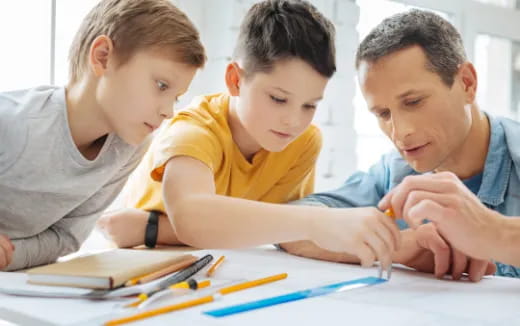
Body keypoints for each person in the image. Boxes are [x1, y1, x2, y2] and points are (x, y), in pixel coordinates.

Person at [97, 0, 401, 271]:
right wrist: (320, 222)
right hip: (144, 271)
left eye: (309, 105)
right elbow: (194, 218)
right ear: (235, 80)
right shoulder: (194, 129)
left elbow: (280, 234)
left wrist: (152, 228)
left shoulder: (304, 142)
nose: (294, 121)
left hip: (223, 271)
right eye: (278, 99)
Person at [281, 9, 508, 281]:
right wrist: (396, 245)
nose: (400, 133)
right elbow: (289, 226)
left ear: (467, 84)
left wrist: (494, 233)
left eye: (413, 102)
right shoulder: (393, 174)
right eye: (383, 114)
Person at [0, 0, 206, 271]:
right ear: (102, 57)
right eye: (161, 85)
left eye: (176, 97)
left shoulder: (129, 148)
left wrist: (8, 257)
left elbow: (66, 238)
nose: (168, 111)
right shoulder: (13, 123)